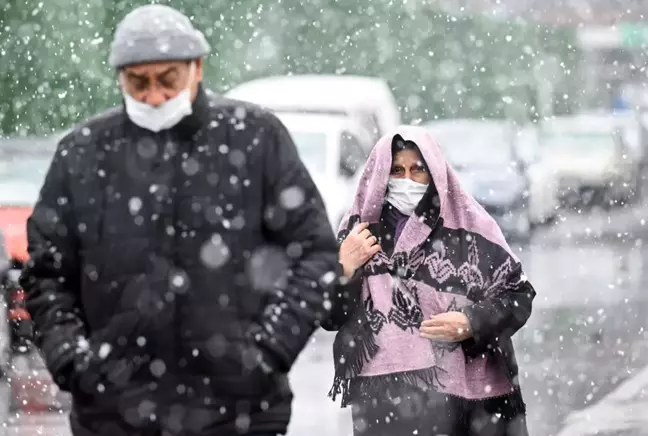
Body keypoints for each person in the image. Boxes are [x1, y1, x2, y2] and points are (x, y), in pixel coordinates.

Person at [20, 5, 339, 436]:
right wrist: (73, 361)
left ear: (197, 68)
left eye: (167, 79)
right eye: (138, 82)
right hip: (113, 416)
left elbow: (314, 253)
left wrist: (268, 351)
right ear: (120, 78)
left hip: (240, 413)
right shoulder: (82, 154)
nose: (153, 96)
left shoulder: (256, 138)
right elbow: (46, 274)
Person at [322, 126, 536, 436]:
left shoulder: (471, 229)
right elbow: (330, 316)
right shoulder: (359, 232)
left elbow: (518, 295)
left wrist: (471, 322)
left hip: (467, 404)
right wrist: (343, 269)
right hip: (384, 407)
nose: (406, 180)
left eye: (417, 170)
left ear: (434, 173)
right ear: (381, 173)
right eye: (396, 170)